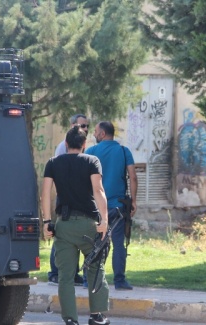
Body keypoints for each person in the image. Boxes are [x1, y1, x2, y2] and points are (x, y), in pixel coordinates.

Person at [41, 126, 110, 325]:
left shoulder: (53, 163)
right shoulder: (92, 161)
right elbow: (98, 190)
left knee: (65, 276)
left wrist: (47, 222)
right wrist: (104, 221)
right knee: (96, 268)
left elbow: (45, 194)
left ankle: (70, 319)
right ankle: (97, 316)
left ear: (66, 144)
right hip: (89, 225)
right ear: (84, 145)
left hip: (63, 225)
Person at [85, 121, 137, 290]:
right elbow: (133, 177)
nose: (93, 135)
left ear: (102, 133)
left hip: (95, 206)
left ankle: (88, 280)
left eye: (95, 132)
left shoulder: (91, 152)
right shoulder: (124, 151)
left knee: (94, 242)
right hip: (118, 206)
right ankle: (120, 280)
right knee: (118, 243)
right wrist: (134, 201)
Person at [48, 114, 90, 286]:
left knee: (78, 237)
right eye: (82, 125)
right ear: (72, 125)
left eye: (87, 126)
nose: (85, 128)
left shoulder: (85, 151)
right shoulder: (61, 148)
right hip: (66, 198)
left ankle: (74, 273)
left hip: (80, 199)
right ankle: (55, 271)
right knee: (61, 235)